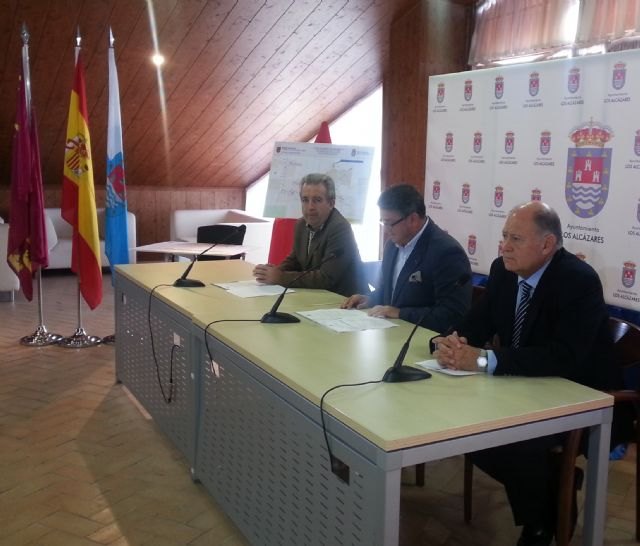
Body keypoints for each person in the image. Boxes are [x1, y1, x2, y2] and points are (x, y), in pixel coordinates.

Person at [433, 201, 613, 546]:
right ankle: (552, 490)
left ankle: (539, 526)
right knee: (462, 426)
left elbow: (563, 357)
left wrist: (484, 361)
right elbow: (476, 324)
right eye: (504, 236)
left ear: (547, 245)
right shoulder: (503, 270)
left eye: (515, 239)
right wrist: (447, 342)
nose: (505, 247)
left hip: (576, 393)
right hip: (521, 385)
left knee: (518, 439)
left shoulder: (578, 281)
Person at [341, 183, 472, 333]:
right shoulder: (392, 245)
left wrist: (401, 313)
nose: (386, 230)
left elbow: (452, 314)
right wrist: (370, 298)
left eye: (389, 223)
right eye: (383, 222)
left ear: (413, 219)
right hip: (389, 333)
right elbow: (390, 292)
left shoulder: (447, 252)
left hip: (424, 339)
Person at [253, 173, 362, 297]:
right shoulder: (301, 224)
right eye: (305, 200)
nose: (310, 207)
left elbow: (326, 278)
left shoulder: (340, 228)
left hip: (343, 300)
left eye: (317, 200)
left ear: (331, 203)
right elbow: (295, 260)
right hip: (315, 296)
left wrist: (280, 277)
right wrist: (273, 271)